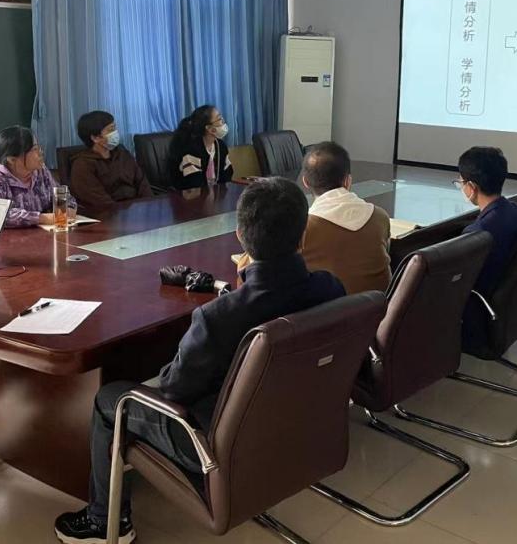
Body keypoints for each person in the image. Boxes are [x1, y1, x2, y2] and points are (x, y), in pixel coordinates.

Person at [53, 178, 345, 543]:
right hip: (297, 423)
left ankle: (104, 521)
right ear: (303, 237)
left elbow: (174, 390)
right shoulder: (331, 288)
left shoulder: (218, 318)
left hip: (218, 442)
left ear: (240, 237)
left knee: (110, 399)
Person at [236, 141, 391, 295]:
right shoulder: (380, 217)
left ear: (305, 181)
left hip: (324, 308)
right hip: (379, 306)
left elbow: (255, 269)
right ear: (347, 181)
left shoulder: (301, 227)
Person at [455, 147, 517, 353]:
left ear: (471, 187)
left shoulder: (478, 234)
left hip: (477, 316)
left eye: (461, 182)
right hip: (508, 307)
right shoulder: (516, 212)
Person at [69, 111, 153, 215]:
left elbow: (142, 182)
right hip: (109, 215)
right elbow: (98, 200)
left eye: (115, 128)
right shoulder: (82, 165)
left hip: (137, 209)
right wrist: (122, 214)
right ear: (95, 138)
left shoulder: (122, 153)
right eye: (111, 130)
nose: (115, 133)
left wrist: (149, 205)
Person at [0, 126, 57, 227]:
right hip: (9, 237)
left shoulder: (40, 170)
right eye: (34, 149)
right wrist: (42, 218)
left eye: (38, 147)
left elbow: (59, 194)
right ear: (12, 159)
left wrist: (67, 208)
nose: (40, 152)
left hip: (43, 233)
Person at [168, 105, 233, 190]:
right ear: (209, 128)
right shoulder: (192, 150)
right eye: (219, 119)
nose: (223, 122)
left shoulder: (221, 146)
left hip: (214, 194)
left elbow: (227, 175)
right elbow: (194, 184)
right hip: (190, 196)